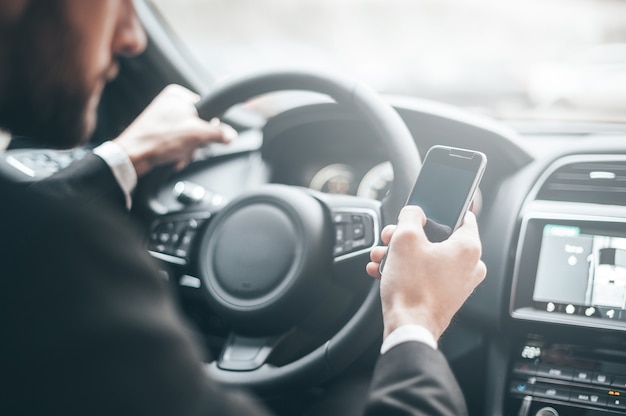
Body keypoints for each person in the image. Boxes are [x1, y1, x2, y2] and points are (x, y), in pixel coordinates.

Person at [0, 1, 486, 415]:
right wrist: (414, 320)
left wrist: (125, 158)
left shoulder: (30, 242)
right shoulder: (61, 259)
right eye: (116, 3)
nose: (132, 39)